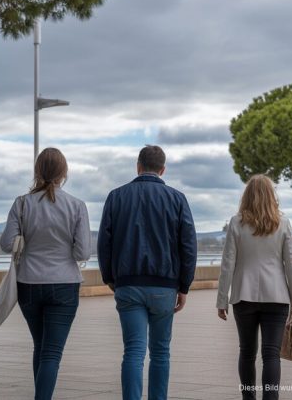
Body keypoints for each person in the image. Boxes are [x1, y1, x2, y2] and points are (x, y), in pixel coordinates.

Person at [98, 145, 197, 400]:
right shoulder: (177, 199)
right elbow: (188, 246)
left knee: (133, 351)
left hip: (128, 284)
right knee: (161, 352)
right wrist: (184, 286)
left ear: (138, 165)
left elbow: (104, 243)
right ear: (163, 170)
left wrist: (110, 277)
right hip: (165, 286)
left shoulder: (116, 196)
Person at [0, 147, 91, 400]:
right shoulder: (76, 205)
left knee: (40, 347)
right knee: (51, 352)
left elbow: (7, 243)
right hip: (64, 284)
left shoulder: (21, 204)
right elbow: (83, 252)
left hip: (29, 283)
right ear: (64, 172)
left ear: (37, 171)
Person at [216, 175, 292, 400]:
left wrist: (222, 300)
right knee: (271, 354)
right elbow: (291, 265)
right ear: (272, 195)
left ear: (247, 196)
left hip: (243, 297)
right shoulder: (283, 223)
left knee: (246, 352)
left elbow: (227, 264)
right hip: (277, 296)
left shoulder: (236, 222)